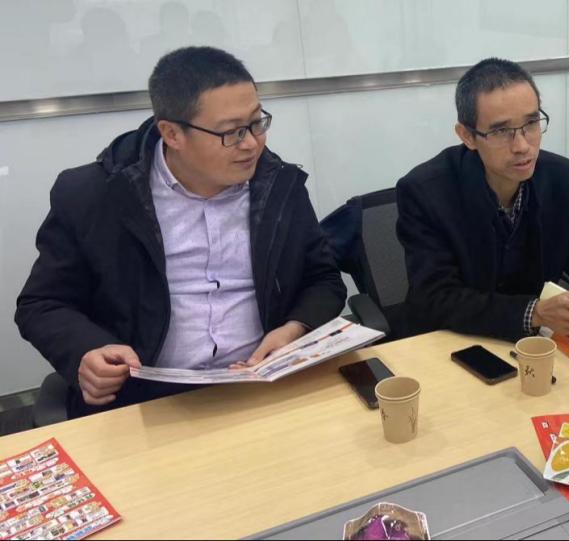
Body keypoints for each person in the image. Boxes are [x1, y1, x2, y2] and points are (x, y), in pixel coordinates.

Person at [15, 47, 345, 418]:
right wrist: (87, 350)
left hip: (264, 385)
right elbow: (42, 304)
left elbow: (323, 278)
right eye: (232, 132)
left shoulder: (279, 185)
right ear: (172, 133)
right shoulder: (94, 196)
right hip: (145, 399)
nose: (252, 143)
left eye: (257, 123)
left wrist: (294, 329)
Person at [396, 58, 569, 343]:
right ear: (468, 136)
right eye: (501, 131)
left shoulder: (562, 178)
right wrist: (533, 313)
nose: (522, 146)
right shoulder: (426, 192)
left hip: (537, 343)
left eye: (531, 123)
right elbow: (435, 297)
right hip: (448, 342)